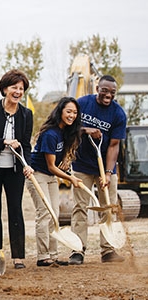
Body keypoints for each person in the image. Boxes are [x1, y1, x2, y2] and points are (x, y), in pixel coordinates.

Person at [69, 75, 127, 265]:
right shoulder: (82, 103)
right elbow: (70, 127)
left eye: (112, 92)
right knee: (80, 208)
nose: (108, 95)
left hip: (105, 167)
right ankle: (77, 250)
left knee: (108, 208)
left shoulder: (118, 114)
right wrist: (86, 130)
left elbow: (114, 145)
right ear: (97, 88)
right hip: (81, 165)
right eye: (105, 90)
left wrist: (108, 173)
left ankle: (108, 250)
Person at [0, 69, 33, 269]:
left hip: (14, 170)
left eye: (21, 89)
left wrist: (27, 163)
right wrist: (4, 142)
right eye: (14, 87)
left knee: (15, 209)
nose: (18, 92)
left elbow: (26, 144)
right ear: (5, 89)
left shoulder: (26, 114)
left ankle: (18, 256)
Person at [26, 97, 82, 266]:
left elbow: (59, 162)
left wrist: (66, 160)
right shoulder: (50, 134)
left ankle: (53, 255)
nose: (71, 115)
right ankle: (43, 257)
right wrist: (70, 178)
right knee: (44, 213)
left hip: (50, 177)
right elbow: (51, 166)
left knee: (54, 214)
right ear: (60, 112)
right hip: (37, 175)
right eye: (68, 111)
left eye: (74, 112)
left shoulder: (65, 133)